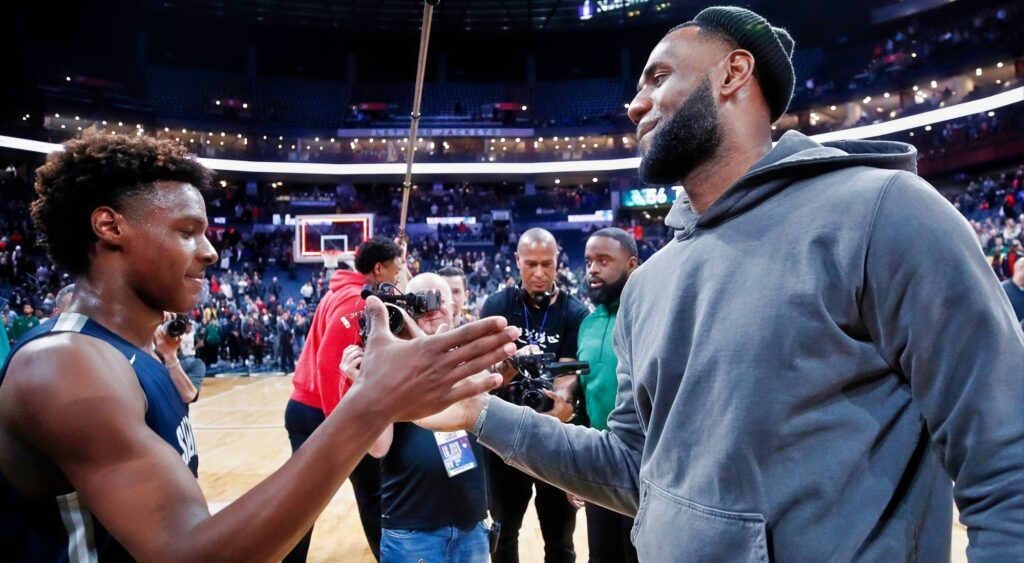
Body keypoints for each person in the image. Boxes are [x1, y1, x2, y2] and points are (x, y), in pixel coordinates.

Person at [421, 6, 1024, 561]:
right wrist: (479, 411)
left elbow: (1008, 465)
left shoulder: (884, 213)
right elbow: (634, 469)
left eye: (657, 78)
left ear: (733, 72)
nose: (635, 105)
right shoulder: (649, 284)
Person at [0, 130, 519, 561]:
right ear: (110, 226)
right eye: (187, 231)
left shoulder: (134, 353)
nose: (208, 251)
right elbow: (188, 555)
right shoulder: (65, 365)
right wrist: (372, 403)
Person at [352, 273, 491, 563]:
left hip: (471, 522)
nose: (432, 306)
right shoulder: (390, 364)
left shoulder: (473, 357)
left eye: (440, 298)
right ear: (406, 309)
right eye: (420, 301)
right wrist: (364, 385)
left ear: (454, 306)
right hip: (411, 526)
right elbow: (378, 447)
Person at [283, 236, 406, 562]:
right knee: (365, 496)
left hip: (311, 409)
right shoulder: (356, 301)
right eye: (398, 267)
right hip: (320, 413)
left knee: (313, 504)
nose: (401, 274)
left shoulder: (349, 293)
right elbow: (327, 362)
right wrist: (340, 423)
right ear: (379, 269)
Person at [478, 227, 589, 563]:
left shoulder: (574, 312)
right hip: (502, 435)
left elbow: (569, 373)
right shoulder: (496, 306)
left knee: (560, 539)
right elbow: (485, 375)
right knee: (503, 534)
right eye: (530, 264)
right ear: (516, 262)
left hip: (551, 438)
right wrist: (512, 366)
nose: (539, 273)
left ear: (557, 262)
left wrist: (560, 402)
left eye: (547, 264)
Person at [576, 229, 638, 563]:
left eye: (603, 261)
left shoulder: (649, 313)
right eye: (588, 262)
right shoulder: (588, 324)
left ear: (631, 264)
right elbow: (586, 398)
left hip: (643, 468)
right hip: (600, 465)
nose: (593, 270)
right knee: (601, 556)